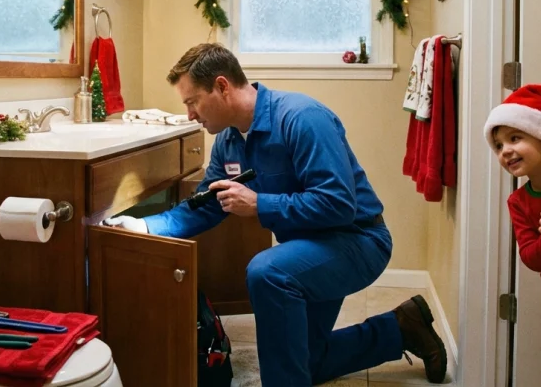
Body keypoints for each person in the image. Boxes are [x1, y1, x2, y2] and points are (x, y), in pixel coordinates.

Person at [104, 43, 448, 385]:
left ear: (222, 86)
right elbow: (207, 203)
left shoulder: (302, 118)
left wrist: (259, 203)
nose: (190, 114)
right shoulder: (228, 141)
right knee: (307, 361)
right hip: (310, 248)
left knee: (267, 273)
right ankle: (401, 329)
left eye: (192, 101)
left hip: (358, 240)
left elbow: (339, 205)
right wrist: (144, 226)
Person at [483, 84, 541, 293]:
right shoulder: (518, 201)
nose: (505, 151)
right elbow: (531, 258)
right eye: (499, 146)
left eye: (515, 138)